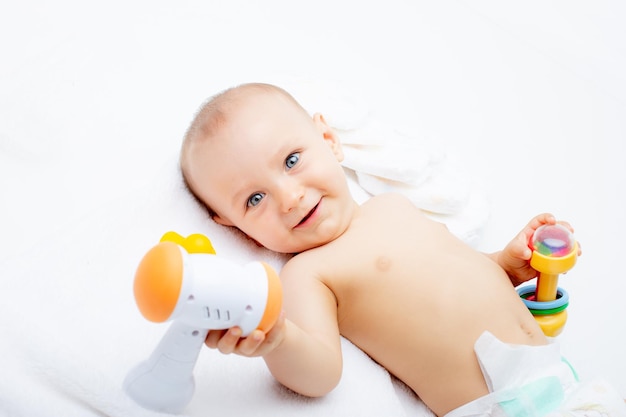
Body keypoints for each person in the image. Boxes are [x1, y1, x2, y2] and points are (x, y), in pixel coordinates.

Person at [179, 83, 625, 416]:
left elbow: (462, 273)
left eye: (292, 160)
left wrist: (507, 265)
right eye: (254, 200)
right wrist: (278, 340)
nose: (289, 197)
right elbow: (319, 372)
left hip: (565, 378)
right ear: (231, 225)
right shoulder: (308, 273)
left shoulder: (392, 205)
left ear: (328, 140)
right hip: (499, 406)